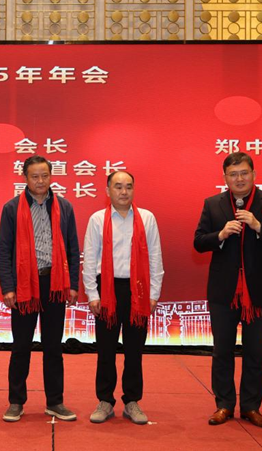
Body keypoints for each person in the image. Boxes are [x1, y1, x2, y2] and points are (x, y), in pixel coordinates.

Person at [194, 152, 262, 429]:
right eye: (233, 174)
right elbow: (199, 242)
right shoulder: (213, 204)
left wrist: (259, 226)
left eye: (244, 173)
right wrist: (221, 235)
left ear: (253, 174)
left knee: (255, 352)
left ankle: (251, 407)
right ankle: (224, 404)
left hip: (258, 291)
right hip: (224, 291)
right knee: (222, 351)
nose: (239, 179)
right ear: (225, 177)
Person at [0, 155, 80, 422]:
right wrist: (8, 287)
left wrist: (73, 285)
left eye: (45, 175)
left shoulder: (64, 207)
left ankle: (55, 402)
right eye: (35, 176)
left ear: (51, 176)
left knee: (53, 346)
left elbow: (73, 247)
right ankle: (16, 402)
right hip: (24, 285)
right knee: (21, 345)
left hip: (54, 284)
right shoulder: (12, 208)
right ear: (25, 178)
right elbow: (4, 250)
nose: (41, 181)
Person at [82, 171, 164, 425]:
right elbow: (90, 258)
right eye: (118, 187)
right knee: (105, 350)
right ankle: (105, 400)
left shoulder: (147, 218)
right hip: (107, 290)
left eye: (128, 186)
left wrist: (153, 294)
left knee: (134, 350)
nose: (124, 192)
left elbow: (155, 257)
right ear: (108, 191)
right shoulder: (97, 219)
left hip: (138, 291)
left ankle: (132, 401)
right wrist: (92, 294)